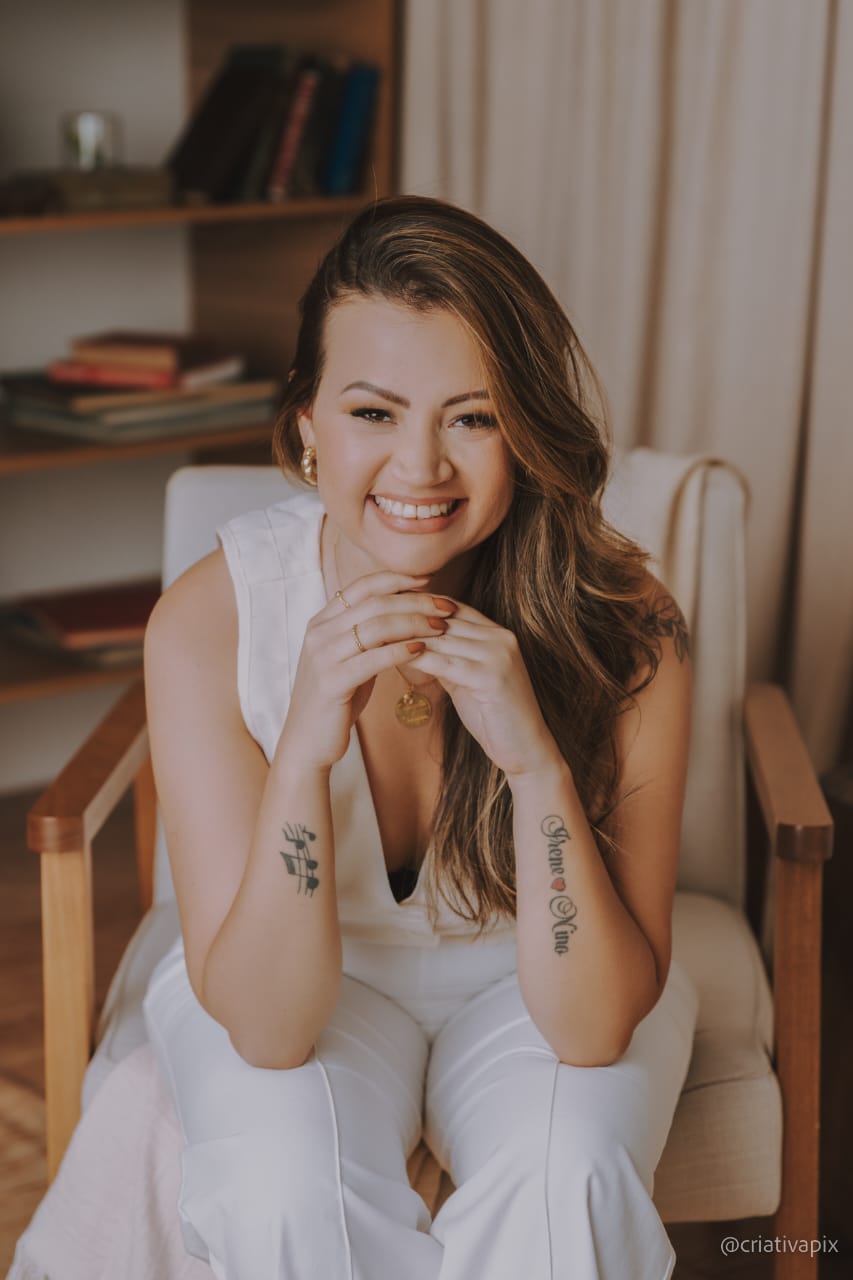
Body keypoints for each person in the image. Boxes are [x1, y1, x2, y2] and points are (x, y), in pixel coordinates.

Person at [142, 195, 695, 1279]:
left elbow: (590, 1029)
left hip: (536, 980)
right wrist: (303, 752)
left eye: (471, 417)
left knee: (571, 1175)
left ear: (525, 429)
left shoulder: (626, 622)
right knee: (276, 1186)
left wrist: (535, 762)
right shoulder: (210, 622)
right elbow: (268, 1029)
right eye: (373, 412)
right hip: (307, 979)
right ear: (308, 422)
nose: (420, 467)